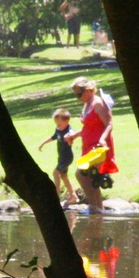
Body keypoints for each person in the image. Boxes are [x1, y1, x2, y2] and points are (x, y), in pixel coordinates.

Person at [70, 76, 117, 213]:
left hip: (99, 147)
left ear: (89, 90)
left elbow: (109, 124)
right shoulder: (87, 104)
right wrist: (75, 135)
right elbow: (88, 127)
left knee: (81, 173)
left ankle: (94, 206)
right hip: (88, 145)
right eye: (76, 95)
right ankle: (98, 209)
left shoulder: (98, 103)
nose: (78, 97)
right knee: (91, 176)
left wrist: (102, 139)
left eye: (79, 94)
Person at [37, 108, 79, 205]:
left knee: (56, 173)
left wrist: (69, 136)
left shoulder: (69, 130)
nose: (58, 126)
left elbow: (72, 134)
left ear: (67, 121)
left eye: (59, 124)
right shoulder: (58, 129)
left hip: (67, 157)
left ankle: (56, 195)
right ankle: (73, 196)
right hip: (61, 157)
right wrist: (43, 143)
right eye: (56, 124)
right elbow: (54, 136)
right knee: (63, 176)